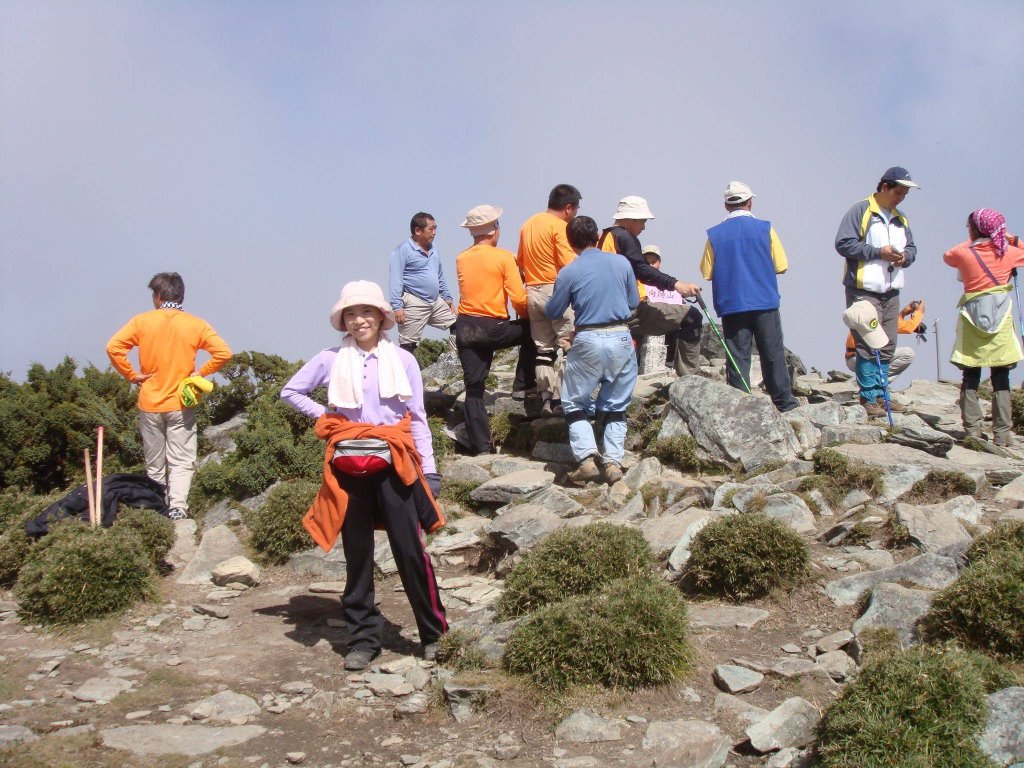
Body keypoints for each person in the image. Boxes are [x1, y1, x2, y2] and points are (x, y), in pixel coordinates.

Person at [280, 280, 447, 670]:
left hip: (395, 461)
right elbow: (291, 391)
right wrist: (327, 417)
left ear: (381, 317)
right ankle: (362, 640)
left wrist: (431, 468)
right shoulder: (329, 359)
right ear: (343, 321)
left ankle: (434, 633)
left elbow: (417, 418)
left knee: (409, 549)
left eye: (366, 312)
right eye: (351, 314)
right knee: (357, 553)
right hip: (349, 464)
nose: (359, 321)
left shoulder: (403, 360)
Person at [106, 272, 231, 520]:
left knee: (154, 462)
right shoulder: (196, 324)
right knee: (181, 460)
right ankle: (178, 508)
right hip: (180, 403)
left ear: (159, 295)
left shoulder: (142, 322)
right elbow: (224, 353)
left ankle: (156, 507)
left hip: (150, 402)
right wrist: (199, 373)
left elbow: (113, 347)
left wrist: (131, 375)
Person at [546, 216, 640, 486]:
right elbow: (633, 301)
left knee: (575, 401)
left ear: (570, 242)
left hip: (587, 338)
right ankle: (612, 463)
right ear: (598, 235)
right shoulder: (622, 263)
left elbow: (554, 310)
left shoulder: (569, 271)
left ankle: (586, 460)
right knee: (617, 404)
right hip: (621, 336)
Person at [699, 181, 799, 411]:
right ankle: (784, 402)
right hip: (764, 299)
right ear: (750, 202)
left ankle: (740, 403)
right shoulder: (766, 228)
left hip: (731, 303)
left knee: (738, 354)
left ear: (726, 205)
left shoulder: (714, 235)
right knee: (772, 350)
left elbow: (706, 272)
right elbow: (781, 265)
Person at [836, 166, 919, 417]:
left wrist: (905, 257)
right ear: (884, 187)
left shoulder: (900, 218)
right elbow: (843, 243)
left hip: (891, 290)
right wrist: (878, 252)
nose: (902, 196)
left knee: (887, 345)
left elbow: (913, 248)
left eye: (905, 193)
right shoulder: (861, 211)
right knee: (866, 342)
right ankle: (869, 397)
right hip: (864, 288)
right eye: (899, 191)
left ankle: (883, 395)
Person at [453, 205, 536, 455]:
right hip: (494, 327)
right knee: (533, 331)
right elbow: (519, 298)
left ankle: (481, 448)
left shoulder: (461, 258)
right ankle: (523, 384)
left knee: (474, 389)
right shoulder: (503, 257)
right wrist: (526, 317)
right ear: (494, 230)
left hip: (465, 327)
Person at [943, 209, 1024, 446]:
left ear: (973, 229)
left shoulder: (963, 253)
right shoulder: (1009, 253)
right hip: (1001, 318)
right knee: (1001, 376)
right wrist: (1008, 237)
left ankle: (972, 429)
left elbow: (947, 256)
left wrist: (973, 239)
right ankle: (1002, 434)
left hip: (972, 316)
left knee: (970, 373)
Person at [599, 196, 703, 375]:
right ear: (631, 219)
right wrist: (676, 284)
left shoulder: (605, 237)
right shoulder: (625, 237)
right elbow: (643, 270)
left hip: (607, 309)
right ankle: (689, 379)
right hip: (629, 311)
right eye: (642, 221)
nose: (644, 227)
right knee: (692, 317)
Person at [517, 184, 582, 415]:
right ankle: (559, 399)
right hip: (555, 290)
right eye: (575, 209)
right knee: (568, 343)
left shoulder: (528, 224)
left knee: (543, 349)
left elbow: (521, 263)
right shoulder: (559, 227)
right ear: (568, 208)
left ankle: (544, 399)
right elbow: (570, 262)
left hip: (532, 291)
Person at [388, 212, 456, 355]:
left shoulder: (434, 249)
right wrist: (397, 307)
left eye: (435, 228)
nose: (435, 232)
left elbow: (440, 274)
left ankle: (455, 358)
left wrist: (447, 298)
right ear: (418, 231)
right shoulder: (403, 250)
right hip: (414, 302)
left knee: (458, 324)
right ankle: (406, 374)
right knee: (408, 344)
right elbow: (396, 279)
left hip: (435, 302)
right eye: (431, 229)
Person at [844, 300, 926, 380]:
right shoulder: (877, 320)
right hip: (863, 360)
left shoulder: (866, 317)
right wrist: (919, 312)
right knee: (908, 353)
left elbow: (892, 325)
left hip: (852, 359)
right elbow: (908, 328)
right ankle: (876, 380)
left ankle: (872, 379)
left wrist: (903, 314)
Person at [643, 245, 683, 367]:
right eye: (646, 262)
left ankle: (671, 361)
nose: (650, 265)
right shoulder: (636, 281)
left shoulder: (668, 282)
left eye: (653, 262)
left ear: (659, 263)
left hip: (665, 319)